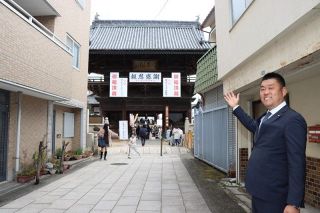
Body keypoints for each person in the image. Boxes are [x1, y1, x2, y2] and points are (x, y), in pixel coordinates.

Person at [224, 72, 307, 213]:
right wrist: (236, 107)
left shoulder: (292, 120)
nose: (265, 92)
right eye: (262, 89)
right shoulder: (267, 116)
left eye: (270, 88)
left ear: (283, 91)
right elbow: (254, 126)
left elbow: (297, 162)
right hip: (259, 191)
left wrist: (293, 203)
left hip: (275, 195)